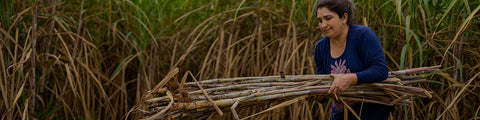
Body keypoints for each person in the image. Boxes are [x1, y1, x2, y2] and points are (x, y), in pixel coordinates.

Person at [313, 0, 393, 119]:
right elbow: (325, 85)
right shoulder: (320, 48)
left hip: (371, 111)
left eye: (328, 18)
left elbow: (381, 70)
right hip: (340, 114)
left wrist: (350, 79)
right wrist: (318, 95)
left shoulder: (363, 36)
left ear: (344, 18)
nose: (323, 25)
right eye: (320, 21)